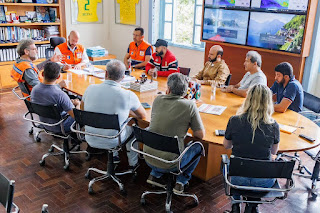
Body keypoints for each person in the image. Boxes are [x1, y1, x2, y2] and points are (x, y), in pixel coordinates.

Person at [144, 73, 205, 193]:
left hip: (148, 157)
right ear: (186, 91)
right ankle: (181, 181)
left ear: (168, 89)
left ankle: (155, 175)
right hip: (171, 164)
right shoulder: (189, 105)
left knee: (161, 133)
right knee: (198, 146)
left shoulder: (157, 100)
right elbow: (200, 135)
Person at [223, 84, 280, 213]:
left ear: (248, 99)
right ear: (268, 103)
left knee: (228, 164)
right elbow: (273, 153)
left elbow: (227, 146)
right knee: (262, 166)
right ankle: (253, 205)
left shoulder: (234, 120)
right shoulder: (274, 125)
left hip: (237, 179)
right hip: (263, 182)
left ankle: (236, 204)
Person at [80, 59, 146, 168]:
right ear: (123, 77)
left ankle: (115, 156)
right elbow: (142, 116)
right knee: (133, 127)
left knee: (112, 122)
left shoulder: (90, 88)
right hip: (113, 140)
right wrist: (126, 113)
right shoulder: (128, 95)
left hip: (90, 136)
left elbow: (83, 109)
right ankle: (133, 163)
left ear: (105, 73)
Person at [31, 62, 80, 133]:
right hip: (60, 126)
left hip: (44, 123)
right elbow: (77, 117)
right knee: (82, 111)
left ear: (42, 74)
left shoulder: (34, 90)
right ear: (58, 76)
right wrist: (78, 104)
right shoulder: (60, 94)